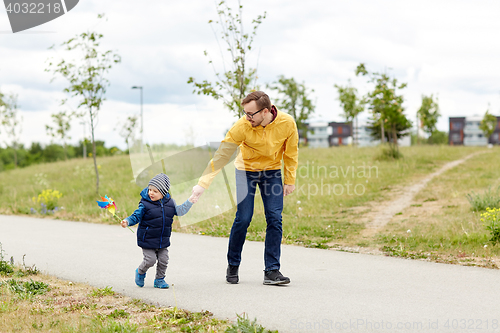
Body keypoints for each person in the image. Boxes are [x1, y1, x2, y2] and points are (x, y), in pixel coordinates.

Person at [191, 91, 298, 285]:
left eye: (250, 114)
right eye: (245, 113)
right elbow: (222, 154)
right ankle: (233, 264)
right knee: (244, 218)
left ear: (265, 111)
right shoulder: (242, 126)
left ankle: (272, 271)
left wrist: (289, 180)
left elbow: (291, 153)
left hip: (272, 172)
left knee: (275, 218)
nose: (246, 117)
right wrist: (202, 184)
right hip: (246, 171)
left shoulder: (287, 123)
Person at [121, 173, 197, 289]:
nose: (151, 193)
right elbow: (136, 216)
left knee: (163, 260)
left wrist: (189, 201)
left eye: (155, 191)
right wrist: (127, 221)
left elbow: (180, 211)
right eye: (150, 189)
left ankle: (159, 280)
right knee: (150, 260)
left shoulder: (171, 203)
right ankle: (140, 272)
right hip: (147, 238)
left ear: (163, 193)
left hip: (162, 239)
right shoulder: (145, 204)